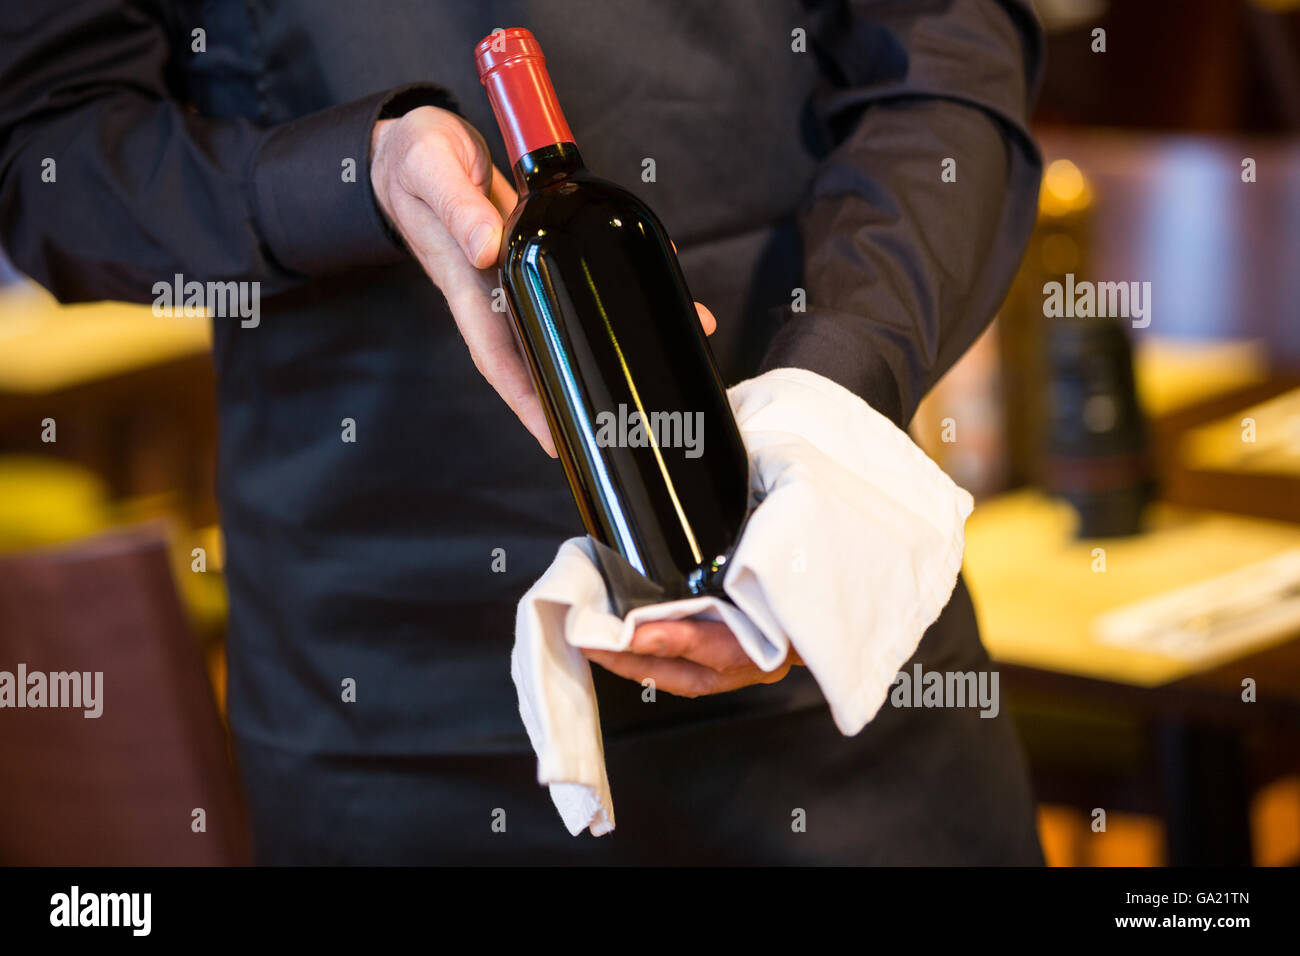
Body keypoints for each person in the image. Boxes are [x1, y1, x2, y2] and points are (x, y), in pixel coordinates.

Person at [0, 0, 1046, 864]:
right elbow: (46, 146)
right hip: (382, 705)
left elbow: (941, 59)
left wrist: (827, 395)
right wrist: (349, 175)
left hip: (812, 616)